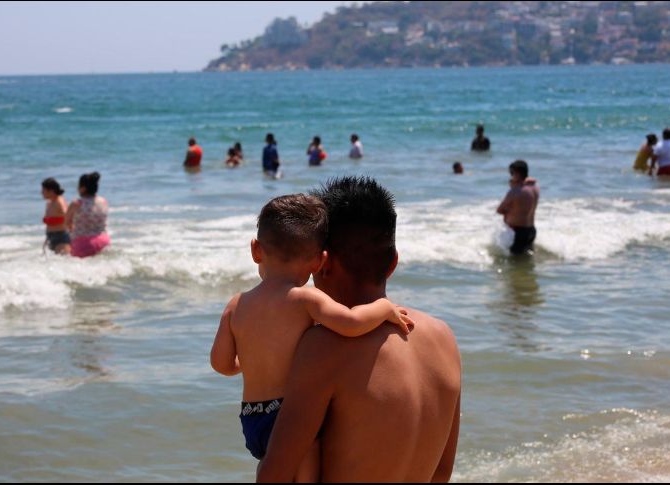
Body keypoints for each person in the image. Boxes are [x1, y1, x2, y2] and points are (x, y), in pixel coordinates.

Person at [257, 177, 461, 483]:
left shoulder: (325, 346)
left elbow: (275, 477)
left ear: (320, 263)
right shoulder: (443, 337)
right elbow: (442, 472)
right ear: (392, 262)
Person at [210, 194, 414, 482]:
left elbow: (220, 363)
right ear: (321, 261)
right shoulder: (305, 298)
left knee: (270, 462)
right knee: (308, 456)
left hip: (252, 417)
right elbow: (351, 322)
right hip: (287, 414)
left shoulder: (236, 304)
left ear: (256, 250)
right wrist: (383, 309)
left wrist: (248, 363)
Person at [497, 160, 540, 256]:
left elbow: (499, 210)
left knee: (515, 264)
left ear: (517, 174)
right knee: (527, 260)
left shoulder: (515, 192)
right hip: (531, 230)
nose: (511, 176)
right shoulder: (535, 188)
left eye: (511, 173)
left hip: (518, 233)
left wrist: (512, 188)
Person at [66, 172, 110, 258]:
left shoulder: (76, 203)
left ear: (83, 188)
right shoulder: (103, 201)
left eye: (78, 186)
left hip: (83, 244)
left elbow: (67, 223)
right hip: (103, 241)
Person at [41, 178, 71, 255]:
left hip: (61, 237)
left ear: (51, 191)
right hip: (50, 237)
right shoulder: (49, 204)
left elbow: (68, 215)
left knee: (64, 261)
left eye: (43, 190)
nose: (41, 193)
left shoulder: (59, 202)